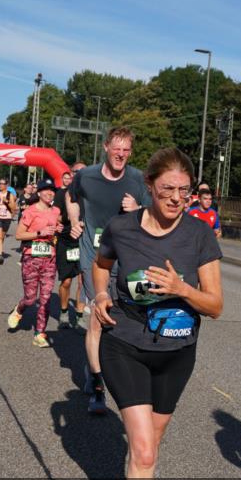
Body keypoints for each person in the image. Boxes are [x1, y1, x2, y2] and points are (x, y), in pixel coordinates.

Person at [92, 147, 222, 480]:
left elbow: (216, 306)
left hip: (176, 352)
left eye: (185, 191)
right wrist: (102, 295)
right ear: (148, 186)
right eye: (168, 189)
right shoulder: (122, 227)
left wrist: (182, 289)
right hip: (124, 344)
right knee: (145, 450)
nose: (177, 198)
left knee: (149, 445)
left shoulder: (200, 235)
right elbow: (101, 264)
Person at [67, 127, 149, 415]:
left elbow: (153, 217)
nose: (121, 154)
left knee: (131, 319)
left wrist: (137, 208)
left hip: (128, 263)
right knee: (98, 320)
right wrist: (74, 221)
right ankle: (99, 387)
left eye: (126, 149)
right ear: (105, 147)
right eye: (117, 148)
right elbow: (71, 197)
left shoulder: (138, 179)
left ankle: (96, 367)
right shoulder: (86, 176)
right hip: (95, 260)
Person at [7, 178, 63, 347]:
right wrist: (40, 232)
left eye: (52, 190)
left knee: (45, 299)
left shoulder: (56, 211)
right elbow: (19, 235)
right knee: (31, 299)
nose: (49, 193)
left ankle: (40, 333)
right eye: (45, 190)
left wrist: (57, 230)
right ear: (39, 193)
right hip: (31, 258)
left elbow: (56, 227)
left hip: (49, 259)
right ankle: (19, 309)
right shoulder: (30, 211)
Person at [54, 165, 85, 329]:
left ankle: (79, 317)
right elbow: (55, 215)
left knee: (83, 282)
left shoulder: (90, 195)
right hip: (66, 240)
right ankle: (64, 312)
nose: (79, 174)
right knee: (66, 281)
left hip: (84, 241)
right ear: (71, 174)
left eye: (82, 171)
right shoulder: (62, 193)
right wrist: (56, 224)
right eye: (76, 172)